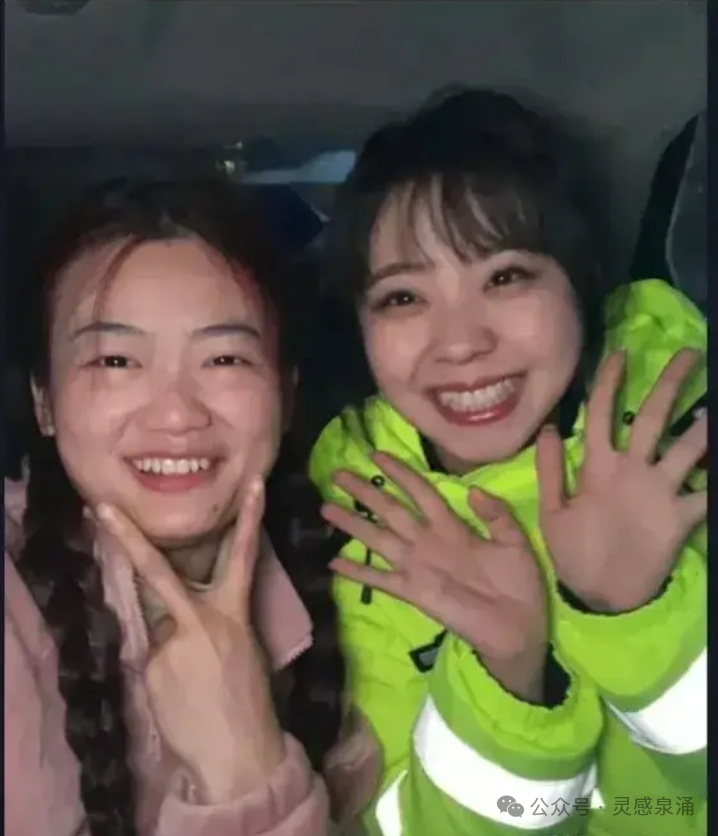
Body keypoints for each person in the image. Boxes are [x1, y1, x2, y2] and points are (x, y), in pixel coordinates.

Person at [308, 89, 707, 836]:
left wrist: (639, 613)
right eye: (403, 298)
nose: (461, 343)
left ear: (580, 285)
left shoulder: (688, 434)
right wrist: (509, 673)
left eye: (505, 277)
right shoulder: (359, 528)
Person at [4, 178, 380, 836]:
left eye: (225, 359)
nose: (177, 414)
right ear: (44, 402)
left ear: (287, 396)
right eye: (116, 361)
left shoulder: (361, 585)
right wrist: (248, 778)